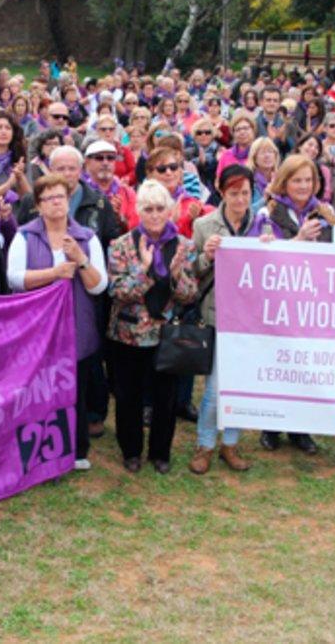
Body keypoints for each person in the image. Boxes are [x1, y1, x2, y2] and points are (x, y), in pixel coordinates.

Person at [7, 174, 108, 470]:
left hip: (77, 326)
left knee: (75, 389)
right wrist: (53, 273)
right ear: (38, 205)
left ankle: (75, 450)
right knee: (37, 387)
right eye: (48, 198)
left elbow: (99, 286)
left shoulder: (87, 238)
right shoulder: (25, 236)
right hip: (36, 328)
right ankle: (36, 447)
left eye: (60, 197)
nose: (55, 203)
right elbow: (14, 279)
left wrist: (81, 260)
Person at [105, 180, 198, 474]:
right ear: (139, 210)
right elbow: (118, 291)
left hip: (166, 334)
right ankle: (131, 451)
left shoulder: (184, 246)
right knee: (128, 397)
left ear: (170, 211)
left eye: (160, 209)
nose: (155, 215)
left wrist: (173, 274)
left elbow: (189, 293)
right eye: (148, 209)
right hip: (128, 335)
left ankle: (161, 452)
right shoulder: (121, 245)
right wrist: (143, 270)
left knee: (165, 398)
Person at [188, 165, 258, 474]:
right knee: (215, 387)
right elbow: (192, 274)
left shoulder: (262, 225)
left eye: (245, 193)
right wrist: (206, 257)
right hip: (217, 314)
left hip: (252, 318)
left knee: (240, 384)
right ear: (222, 193)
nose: (240, 199)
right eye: (234, 193)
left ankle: (230, 443)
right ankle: (205, 444)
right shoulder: (205, 225)